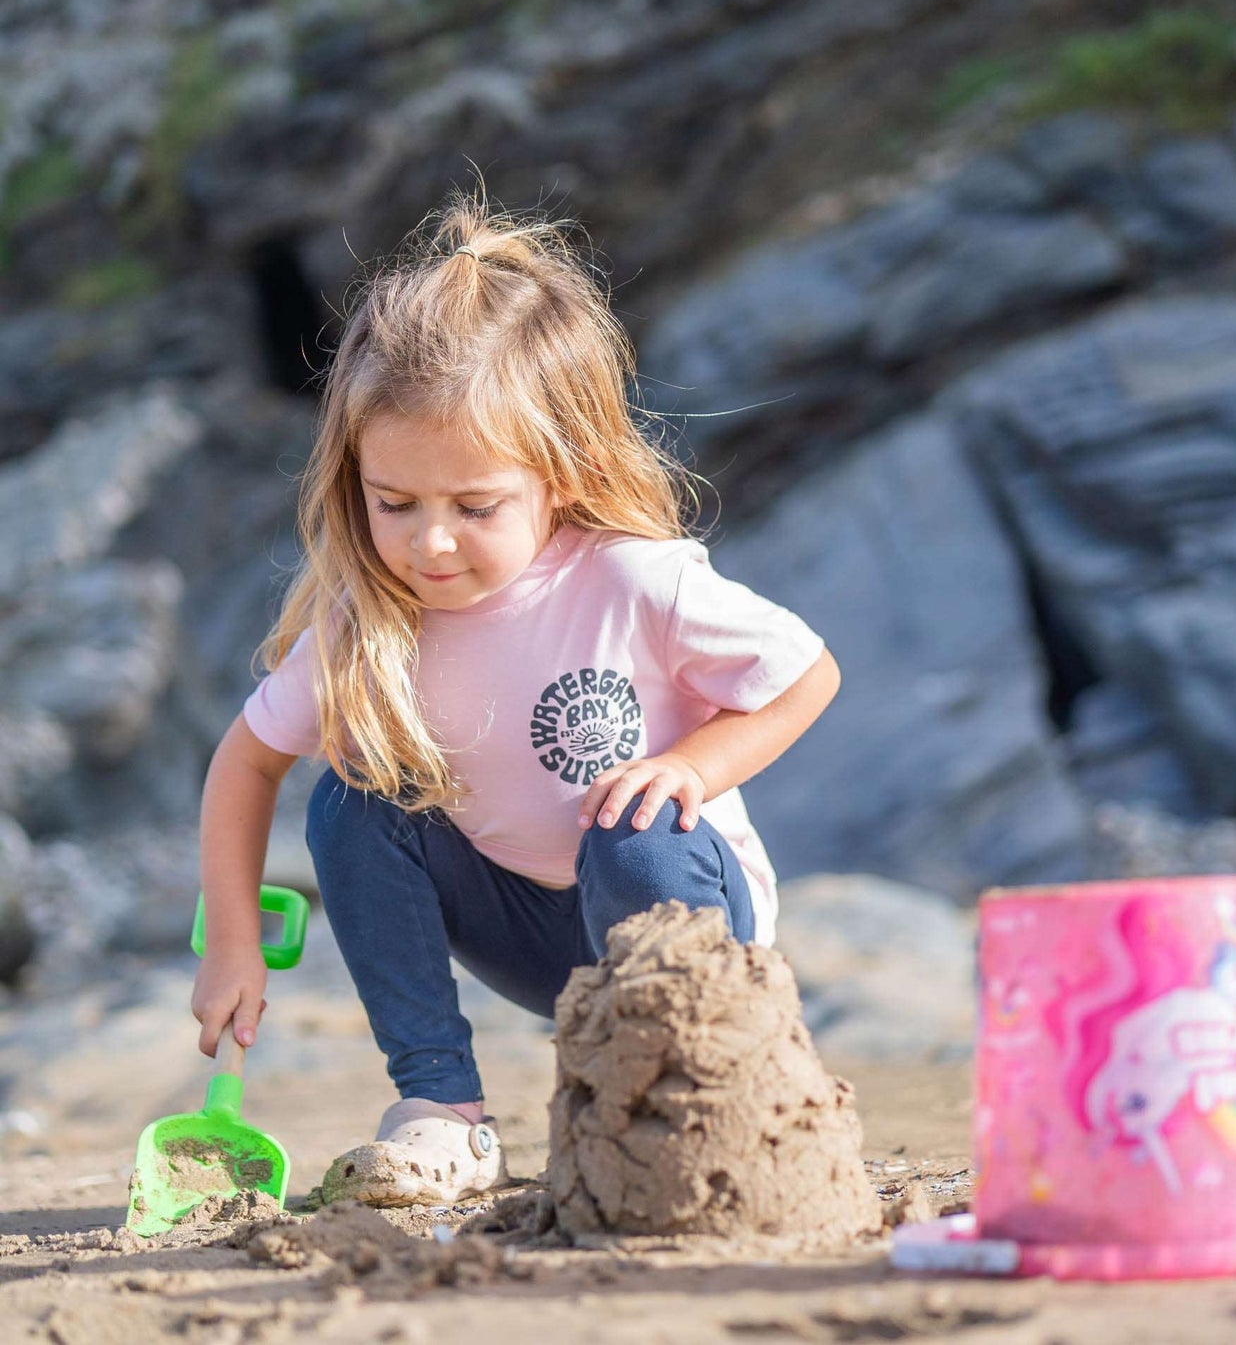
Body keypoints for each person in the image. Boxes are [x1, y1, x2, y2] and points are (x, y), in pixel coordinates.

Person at [189, 195, 840, 1207]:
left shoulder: (633, 582)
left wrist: (693, 766)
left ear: (558, 473)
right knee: (352, 798)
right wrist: (233, 932)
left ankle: (684, 1084)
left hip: (680, 915)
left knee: (632, 823)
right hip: (528, 933)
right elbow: (248, 760)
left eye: (474, 507)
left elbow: (805, 673)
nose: (429, 542)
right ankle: (441, 1114)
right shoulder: (371, 625)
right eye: (394, 503)